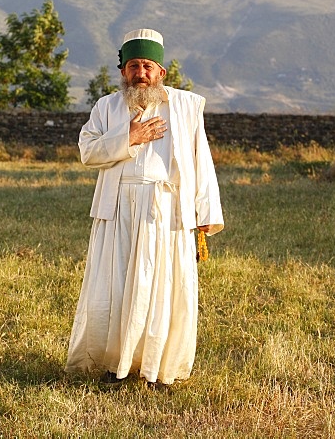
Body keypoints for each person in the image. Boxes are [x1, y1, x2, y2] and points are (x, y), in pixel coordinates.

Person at [65, 28, 224, 388]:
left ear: (161, 72)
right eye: (134, 65)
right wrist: (129, 138)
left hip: (167, 211)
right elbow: (87, 152)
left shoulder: (186, 106)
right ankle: (114, 366)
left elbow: (202, 162)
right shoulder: (106, 107)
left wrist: (204, 217)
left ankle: (157, 370)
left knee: (163, 286)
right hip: (118, 207)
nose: (141, 73)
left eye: (148, 66)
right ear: (123, 72)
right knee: (115, 285)